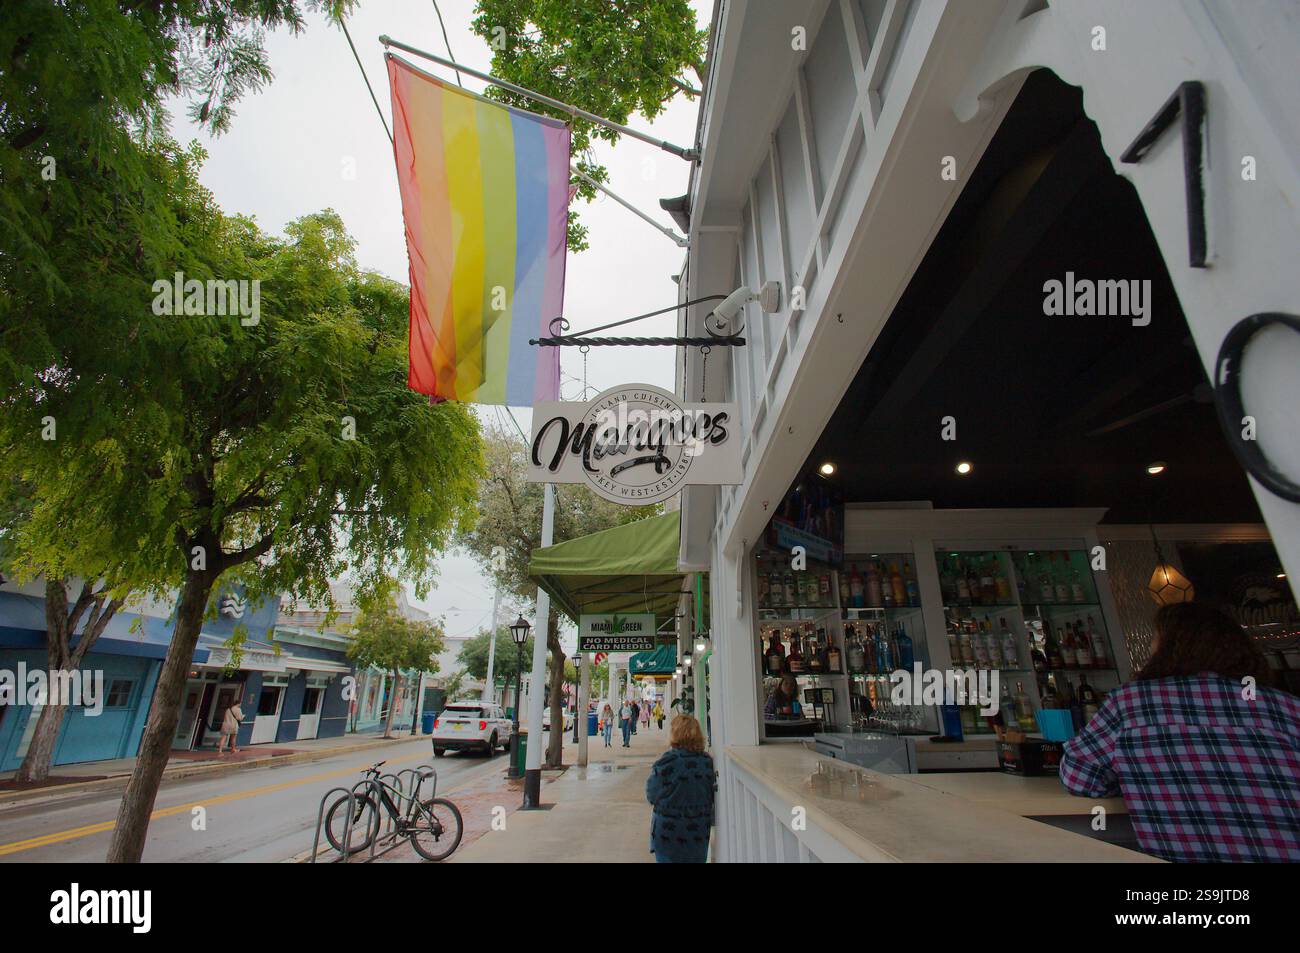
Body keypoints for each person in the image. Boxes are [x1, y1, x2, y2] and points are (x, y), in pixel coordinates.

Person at [1060, 602, 1300, 862]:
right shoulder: (1286, 708)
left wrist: (1135, 776)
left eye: (1155, 639)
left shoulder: (1132, 703)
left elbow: (1079, 776)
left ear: (1170, 648)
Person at [645, 715, 715, 863]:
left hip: (668, 836)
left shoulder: (667, 762)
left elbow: (651, 794)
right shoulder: (707, 763)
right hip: (697, 834)